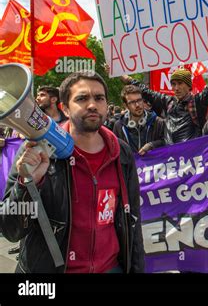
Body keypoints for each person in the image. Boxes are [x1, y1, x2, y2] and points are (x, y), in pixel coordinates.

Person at [0, 71, 144, 273]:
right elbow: (11, 230)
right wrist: (27, 183)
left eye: (99, 98)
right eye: (82, 98)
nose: (92, 104)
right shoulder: (33, 151)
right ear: (65, 108)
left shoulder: (122, 152)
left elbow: (132, 222)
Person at [120, 38, 208, 145]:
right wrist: (127, 79)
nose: (176, 88)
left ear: (188, 86)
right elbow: (145, 91)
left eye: (180, 83)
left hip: (193, 157)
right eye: (173, 84)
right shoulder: (167, 101)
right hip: (173, 159)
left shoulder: (197, 102)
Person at [113, 85, 165, 155]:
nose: (137, 105)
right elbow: (115, 151)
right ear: (125, 105)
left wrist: (152, 145)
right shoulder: (119, 126)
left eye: (139, 100)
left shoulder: (158, 122)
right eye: (132, 102)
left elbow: (167, 142)